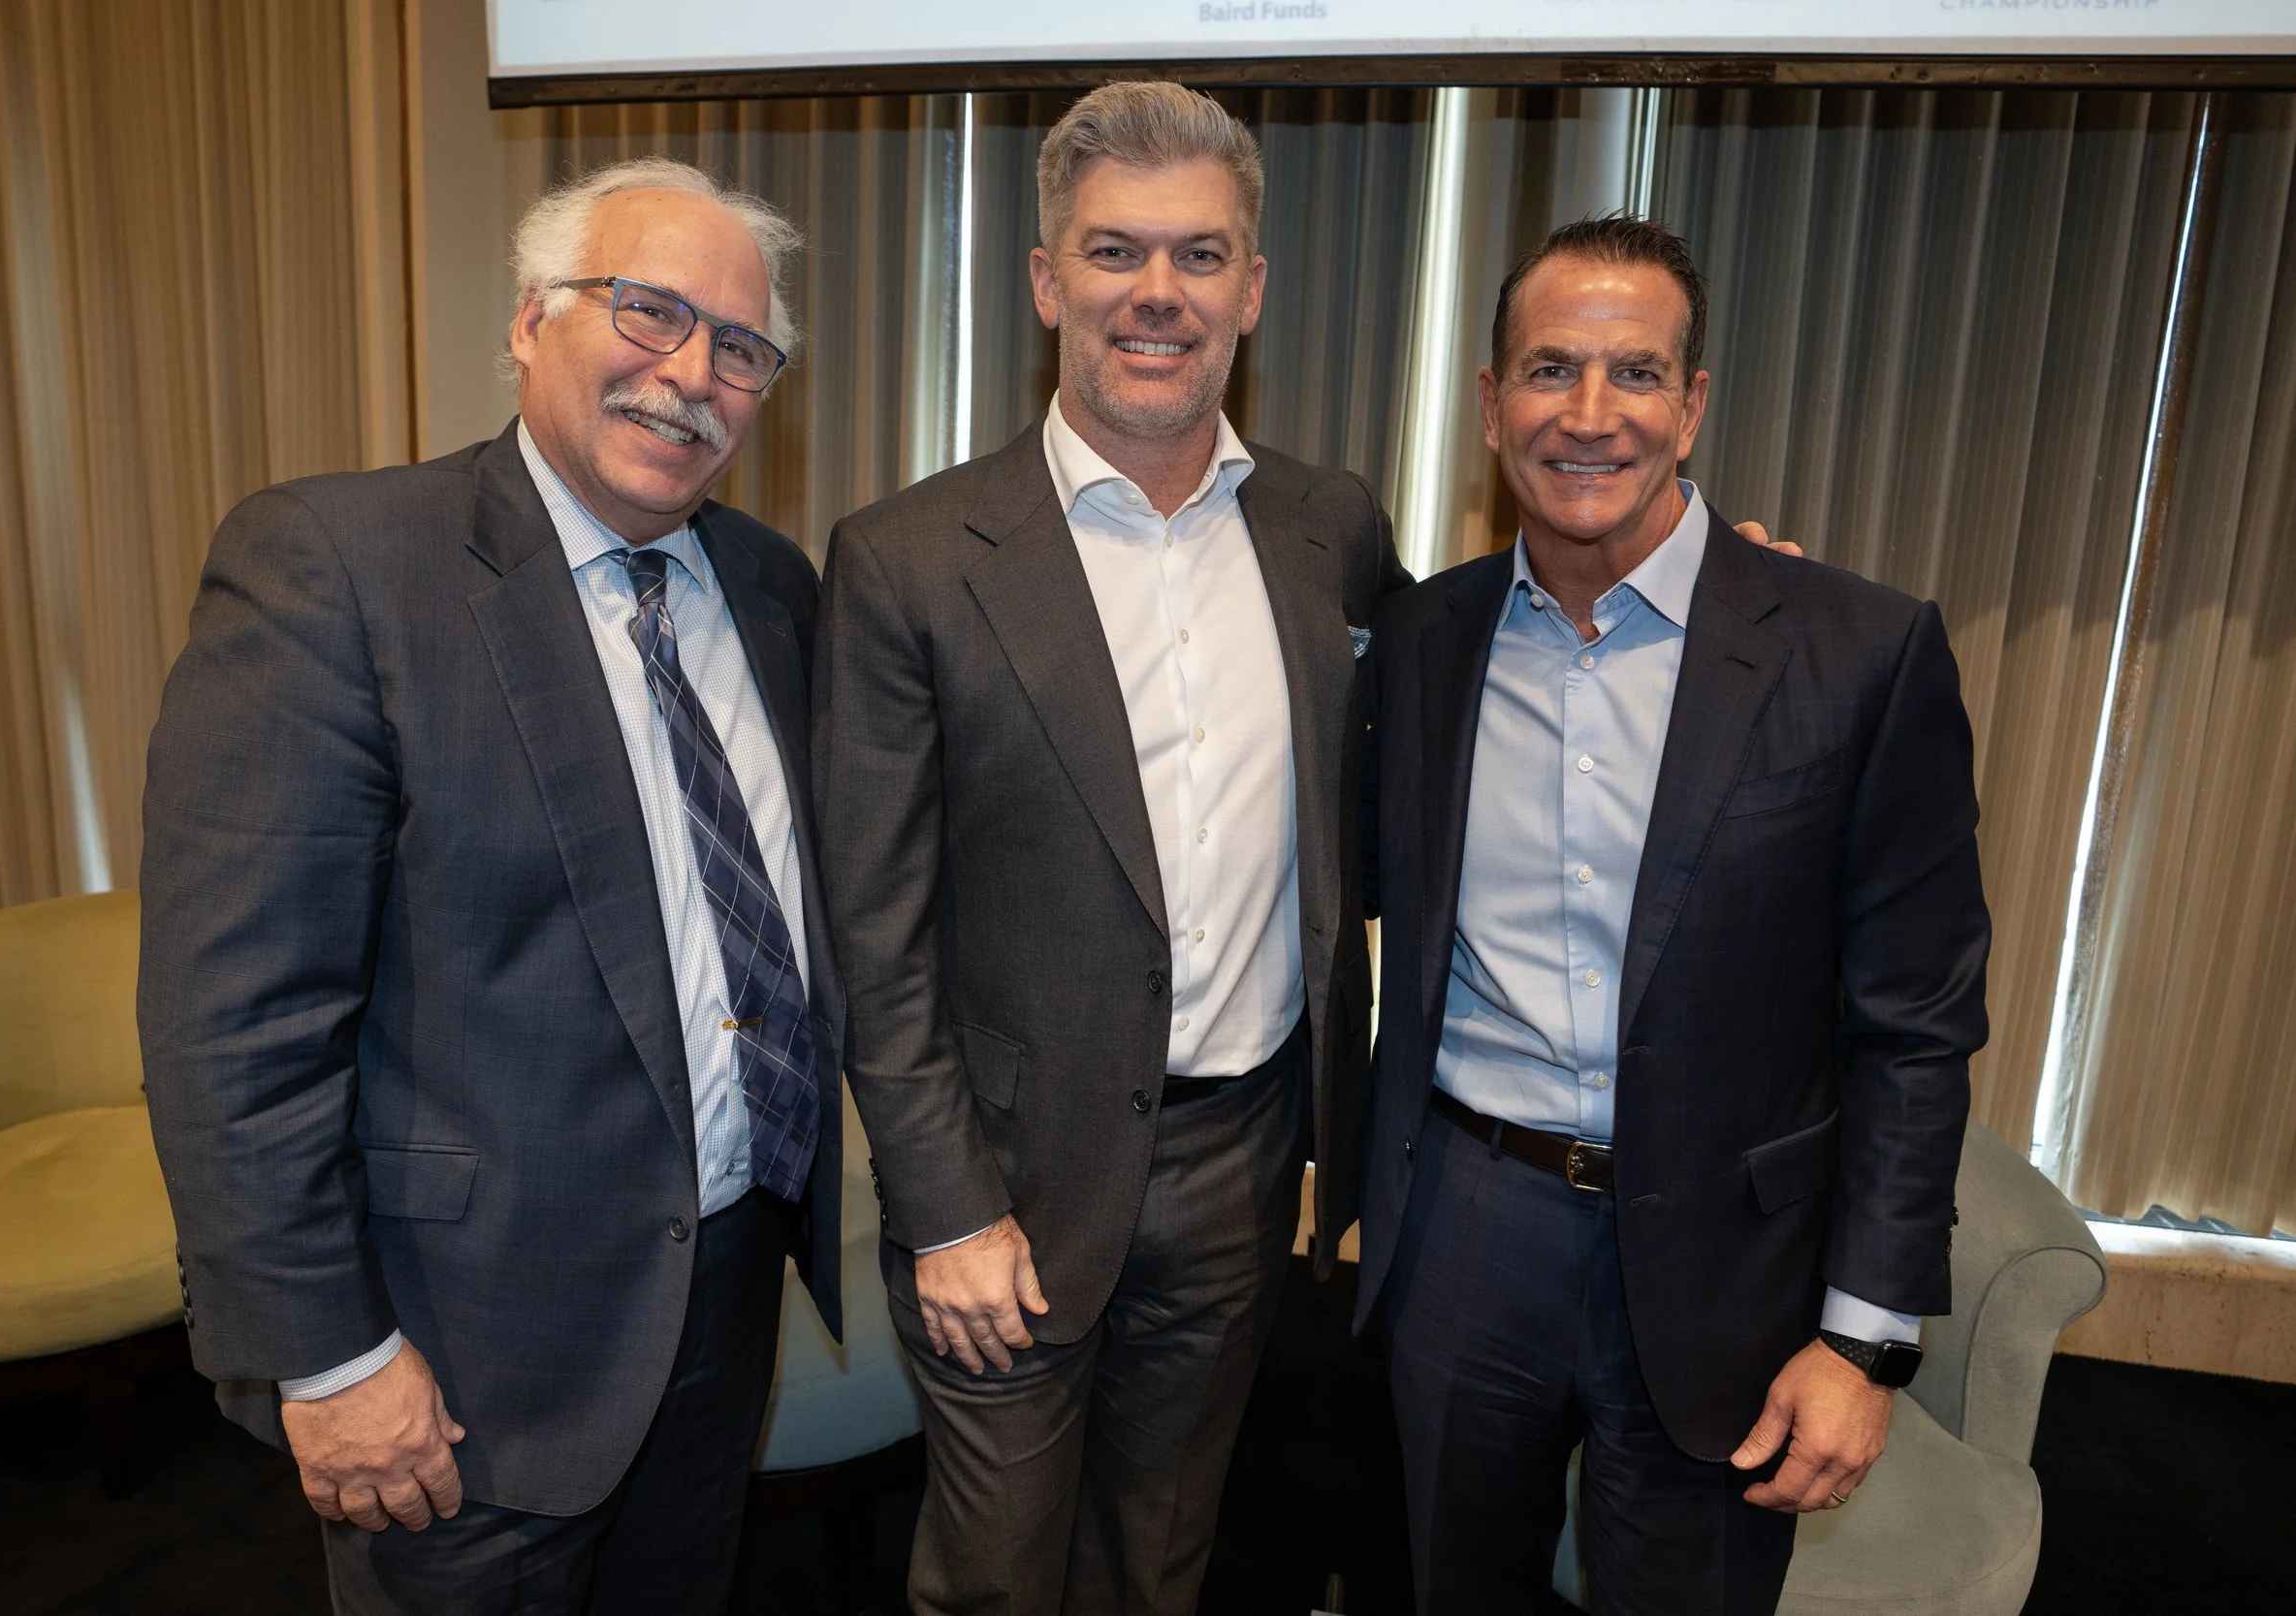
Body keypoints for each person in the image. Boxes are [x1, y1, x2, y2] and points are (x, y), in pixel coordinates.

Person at [139, 156, 845, 1615]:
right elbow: (235, 1025)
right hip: (460, 1359)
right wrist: (329, 1356)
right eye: (646, 310)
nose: (691, 372)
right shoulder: (342, 567)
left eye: (741, 346)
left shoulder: (772, 592)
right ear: (531, 320)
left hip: (720, 1299)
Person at [813, 81, 1408, 1614]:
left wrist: (1714, 560)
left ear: (1252, 290)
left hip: (1238, 1162)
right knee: (1000, 1578)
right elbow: (874, 929)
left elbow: (1442, 728)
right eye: (1116, 252)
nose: (1158, 293)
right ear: (1045, 279)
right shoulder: (910, 556)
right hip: (1004, 1177)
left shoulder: (1327, 524)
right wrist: (942, 1205)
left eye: (1201, 256)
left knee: (1163, 1557)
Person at [1355, 213, 1990, 1613]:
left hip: (1731, 1259)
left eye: (1635, 374)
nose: (1590, 416)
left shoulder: (1857, 653)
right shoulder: (1423, 641)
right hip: (1468, 1228)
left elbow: (1917, 1024)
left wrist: (1866, 1338)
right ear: (1489, 404)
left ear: (1694, 403)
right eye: (1548, 370)